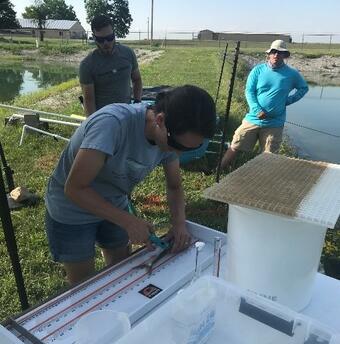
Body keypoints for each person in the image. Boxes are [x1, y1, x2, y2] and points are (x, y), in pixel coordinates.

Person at [45, 85, 216, 284]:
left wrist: (178, 223)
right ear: (160, 120)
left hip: (115, 202)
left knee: (122, 271)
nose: (177, 154)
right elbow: (74, 188)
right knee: (83, 285)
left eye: (188, 150)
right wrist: (128, 221)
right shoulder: (112, 125)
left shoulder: (170, 134)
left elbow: (174, 186)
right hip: (71, 210)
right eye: (177, 147)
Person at [221, 40, 308, 170]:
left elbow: (303, 88)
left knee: (269, 155)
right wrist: (256, 109)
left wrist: (287, 101)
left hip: (274, 123)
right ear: (269, 54)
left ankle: (263, 180)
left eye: (280, 52)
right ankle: (219, 169)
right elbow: (249, 91)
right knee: (235, 144)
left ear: (285, 55)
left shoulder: (292, 74)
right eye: (273, 52)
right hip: (253, 119)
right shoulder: (258, 70)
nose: (276, 55)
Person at [79, 14, 143, 116]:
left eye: (109, 37)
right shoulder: (87, 65)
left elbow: (137, 79)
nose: (106, 43)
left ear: (114, 34)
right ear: (94, 38)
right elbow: (89, 100)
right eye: (101, 40)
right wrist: (94, 123)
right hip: (104, 118)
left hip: (127, 112)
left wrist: (137, 102)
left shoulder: (128, 53)